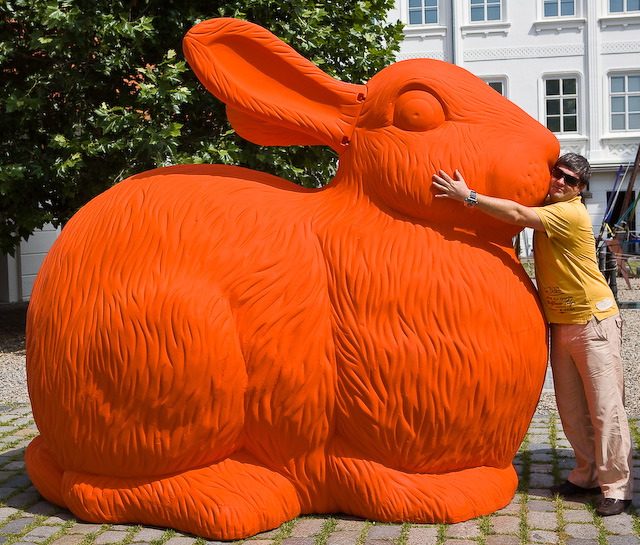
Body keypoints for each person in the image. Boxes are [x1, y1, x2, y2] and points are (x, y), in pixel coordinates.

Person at [431, 153, 632, 516]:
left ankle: (617, 488)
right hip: (561, 323)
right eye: (558, 174)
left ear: (580, 190)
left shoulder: (569, 213)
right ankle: (586, 476)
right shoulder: (550, 206)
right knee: (571, 410)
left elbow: (516, 214)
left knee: (605, 410)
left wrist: (468, 196)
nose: (561, 182)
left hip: (594, 321)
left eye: (570, 180)